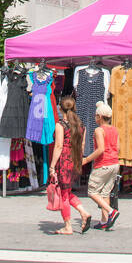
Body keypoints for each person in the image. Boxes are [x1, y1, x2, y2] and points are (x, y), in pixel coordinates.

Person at [49, 95, 92, 235]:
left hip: (64, 161)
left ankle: (68, 225)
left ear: (60, 108)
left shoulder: (61, 125)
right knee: (67, 192)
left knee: (63, 194)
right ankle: (83, 212)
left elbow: (59, 146)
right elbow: (83, 145)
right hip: (75, 160)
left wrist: (52, 165)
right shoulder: (81, 126)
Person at [83, 102, 120, 230]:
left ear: (99, 116)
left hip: (103, 164)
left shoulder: (99, 130)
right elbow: (118, 147)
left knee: (92, 192)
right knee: (105, 193)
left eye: (95, 115)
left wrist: (86, 159)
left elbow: (101, 149)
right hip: (114, 163)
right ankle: (105, 220)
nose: (94, 117)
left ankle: (111, 211)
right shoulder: (114, 129)